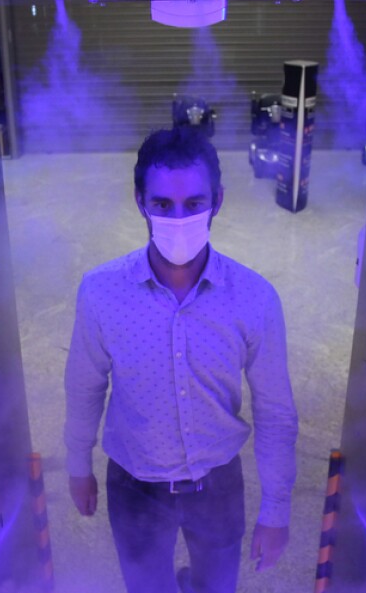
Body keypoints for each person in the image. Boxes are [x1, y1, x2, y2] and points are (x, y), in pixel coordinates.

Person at [64, 128, 298, 593]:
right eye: (163, 205)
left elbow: (275, 411)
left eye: (194, 204)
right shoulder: (100, 292)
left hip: (218, 484)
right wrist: (77, 464)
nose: (178, 218)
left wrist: (276, 511)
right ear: (139, 201)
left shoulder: (254, 298)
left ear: (218, 200)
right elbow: (84, 384)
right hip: (134, 485)